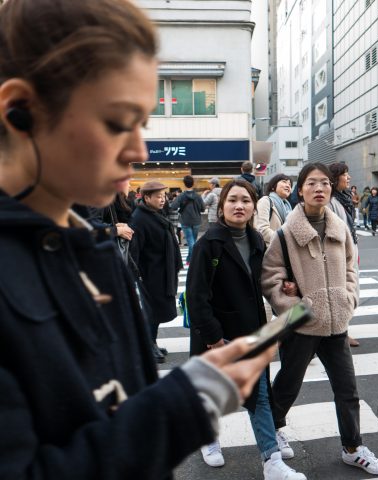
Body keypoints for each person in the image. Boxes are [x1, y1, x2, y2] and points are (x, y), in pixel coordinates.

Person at [0, 1, 276, 477]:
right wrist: (189, 403)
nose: (138, 151)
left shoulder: (92, 244)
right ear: (20, 110)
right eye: (116, 121)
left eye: (141, 122)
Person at [262, 163, 378, 476]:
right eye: (311, 183)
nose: (319, 188)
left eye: (324, 183)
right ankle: (275, 428)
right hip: (303, 325)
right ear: (300, 189)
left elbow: (350, 268)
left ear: (331, 189)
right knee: (288, 386)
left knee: (347, 390)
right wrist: (296, 309)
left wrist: (350, 299)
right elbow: (270, 277)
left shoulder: (339, 226)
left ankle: (353, 447)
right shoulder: (287, 232)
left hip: (336, 324)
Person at [187, 179, 306, 480]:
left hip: (251, 333)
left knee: (260, 396)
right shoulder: (208, 244)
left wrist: (285, 287)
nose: (239, 206)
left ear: (254, 207)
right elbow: (196, 298)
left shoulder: (256, 241)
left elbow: (261, 285)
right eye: (232, 200)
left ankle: (272, 461)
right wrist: (214, 339)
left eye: (245, 201)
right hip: (216, 338)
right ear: (222, 206)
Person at [130, 181, 183, 364]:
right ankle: (147, 346)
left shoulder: (154, 213)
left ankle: (152, 342)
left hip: (161, 272)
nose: (163, 200)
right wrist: (139, 276)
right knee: (151, 313)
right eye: (158, 197)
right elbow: (135, 251)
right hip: (150, 274)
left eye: (164, 196)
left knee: (157, 312)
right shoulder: (139, 218)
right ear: (147, 198)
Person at [328, 162, 360, 347]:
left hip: (350, 251)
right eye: (345, 174)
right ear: (335, 178)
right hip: (339, 255)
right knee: (342, 292)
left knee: (349, 290)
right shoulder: (331, 201)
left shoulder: (344, 198)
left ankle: (342, 330)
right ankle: (340, 332)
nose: (348, 178)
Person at [170, 175, 205, 265]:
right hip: (196, 220)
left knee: (191, 242)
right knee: (192, 241)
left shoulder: (181, 196)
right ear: (193, 183)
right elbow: (203, 209)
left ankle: (191, 260)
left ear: (184, 184)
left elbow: (173, 206)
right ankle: (190, 260)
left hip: (185, 221)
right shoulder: (198, 196)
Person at [254, 173, 292, 247]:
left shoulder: (288, 207)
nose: (288, 185)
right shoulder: (265, 201)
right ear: (273, 186)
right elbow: (262, 230)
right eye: (284, 182)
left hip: (283, 251)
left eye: (290, 184)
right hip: (268, 250)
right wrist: (284, 239)